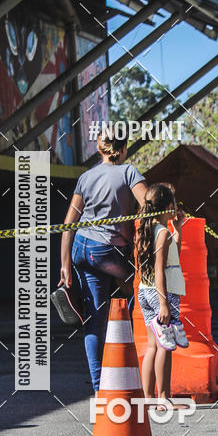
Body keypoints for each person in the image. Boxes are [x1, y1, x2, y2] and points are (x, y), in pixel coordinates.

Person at [58, 132, 147, 393]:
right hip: (108, 251)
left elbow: (68, 224)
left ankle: (100, 390)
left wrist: (65, 265)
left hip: (81, 249)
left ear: (100, 150)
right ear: (123, 149)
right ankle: (134, 355)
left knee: (94, 319)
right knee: (140, 287)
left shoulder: (86, 177)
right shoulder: (129, 172)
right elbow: (149, 205)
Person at [135, 183, 188, 400]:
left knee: (152, 346)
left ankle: (148, 398)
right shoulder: (163, 233)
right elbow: (160, 269)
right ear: (167, 206)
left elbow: (171, 253)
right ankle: (164, 398)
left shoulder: (146, 230)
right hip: (162, 294)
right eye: (174, 203)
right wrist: (164, 303)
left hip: (145, 291)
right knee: (165, 346)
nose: (177, 207)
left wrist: (179, 228)